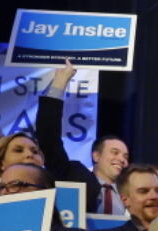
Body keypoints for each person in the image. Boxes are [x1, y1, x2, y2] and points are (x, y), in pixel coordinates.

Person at [38, 60, 130, 213]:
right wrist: (60, 83)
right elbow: (48, 137)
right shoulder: (76, 178)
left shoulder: (132, 192)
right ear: (96, 156)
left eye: (126, 156)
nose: (122, 159)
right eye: (115, 152)